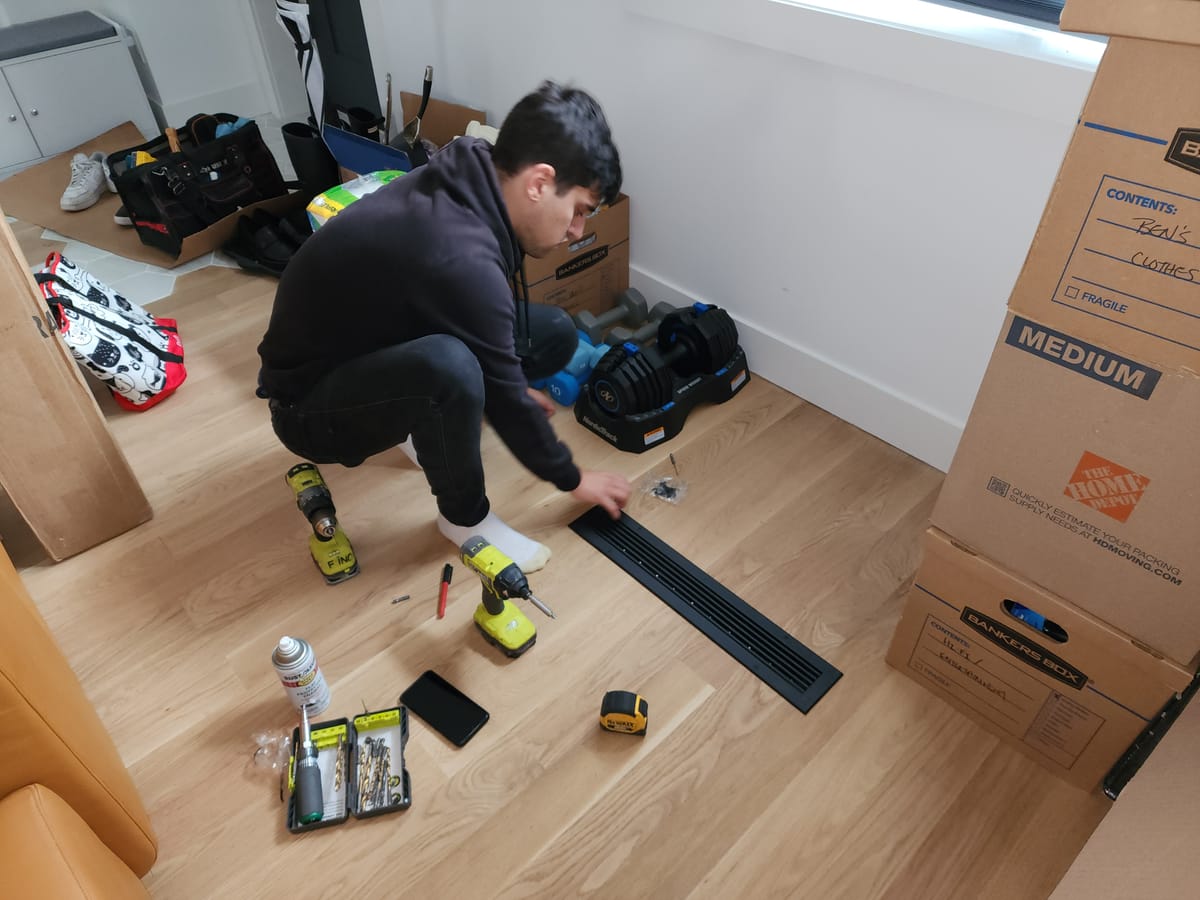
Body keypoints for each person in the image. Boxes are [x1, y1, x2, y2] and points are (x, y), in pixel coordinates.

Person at [256, 81, 631, 573]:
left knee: (555, 334)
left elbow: (473, 317)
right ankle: (465, 520)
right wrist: (574, 478)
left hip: (370, 341)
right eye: (579, 210)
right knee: (452, 369)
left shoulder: (476, 164)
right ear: (539, 183)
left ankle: (424, 417)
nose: (578, 230)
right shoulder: (461, 257)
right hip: (306, 406)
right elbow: (494, 367)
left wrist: (506, 387)